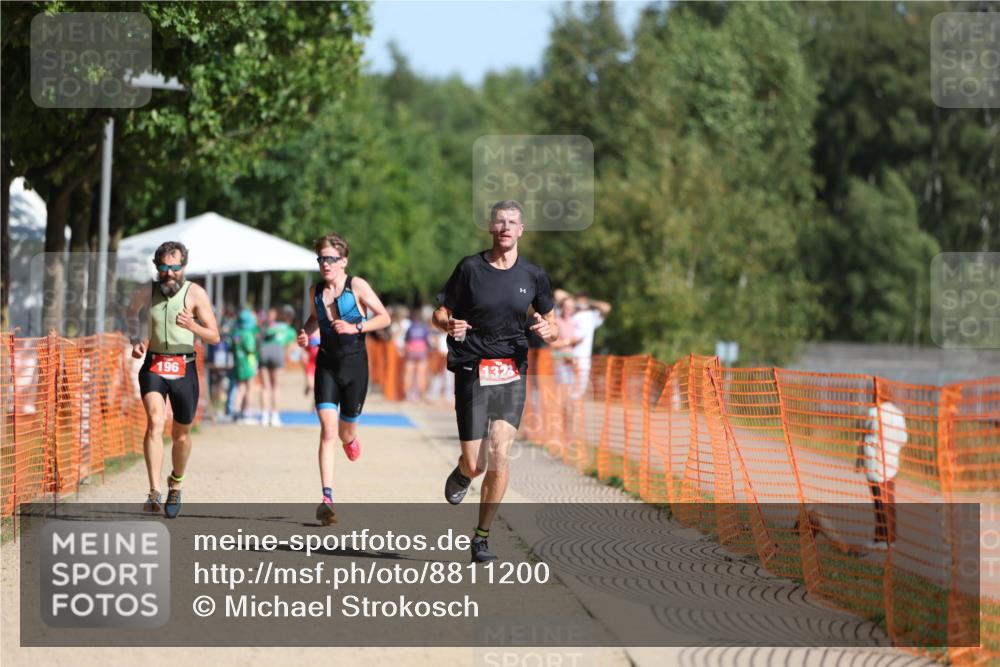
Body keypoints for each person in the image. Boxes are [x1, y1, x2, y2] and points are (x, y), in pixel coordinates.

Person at [432, 200, 558, 563]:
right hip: (472, 366)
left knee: (501, 453)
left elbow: (553, 324)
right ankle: (463, 472)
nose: (505, 227)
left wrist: (549, 330)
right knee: (477, 464)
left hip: (511, 370)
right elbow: (440, 311)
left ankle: (481, 537)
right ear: (491, 227)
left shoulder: (533, 275)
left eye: (512, 222)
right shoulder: (470, 269)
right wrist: (447, 324)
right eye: (500, 221)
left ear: (521, 230)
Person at [296, 233, 391, 525]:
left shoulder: (357, 286)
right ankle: (327, 499)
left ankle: (350, 440)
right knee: (327, 430)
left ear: (343, 261)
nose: (325, 264)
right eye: (321, 259)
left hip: (355, 368)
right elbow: (314, 319)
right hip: (326, 365)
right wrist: (305, 333)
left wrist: (356, 327)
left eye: (330, 259)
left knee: (344, 433)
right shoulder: (315, 291)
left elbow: (384, 317)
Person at [126, 241, 220, 518]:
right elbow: (130, 311)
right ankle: (154, 491)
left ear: (184, 266)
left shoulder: (195, 293)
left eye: (175, 267)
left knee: (181, 436)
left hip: (184, 368)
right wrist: (135, 338)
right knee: (155, 421)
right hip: (154, 365)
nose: (169, 273)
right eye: (164, 268)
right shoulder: (148, 291)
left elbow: (214, 336)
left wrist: (192, 325)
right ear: (157, 267)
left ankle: (175, 483)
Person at [856, 383, 907, 550]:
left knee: (879, 502)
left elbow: (864, 433)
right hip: (890, 464)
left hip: (874, 463)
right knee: (887, 501)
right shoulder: (898, 414)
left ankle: (883, 539)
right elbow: (903, 439)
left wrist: (860, 459)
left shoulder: (873, 412)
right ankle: (885, 539)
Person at [568, 292, 611, 400]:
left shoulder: (591, 315)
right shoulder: (569, 313)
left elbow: (606, 307)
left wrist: (590, 303)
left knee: (579, 390)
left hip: (584, 357)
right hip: (567, 355)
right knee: (566, 386)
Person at [259, 305, 297, 426]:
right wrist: (283, 358)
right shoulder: (290, 330)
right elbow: (291, 348)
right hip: (278, 351)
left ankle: (264, 417)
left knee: (265, 387)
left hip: (264, 351)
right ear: (290, 319)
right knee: (276, 387)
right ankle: (274, 417)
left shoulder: (272, 327)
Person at [230, 308, 260, 423]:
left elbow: (232, 348)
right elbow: (250, 348)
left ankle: (236, 410)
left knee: (241, 387)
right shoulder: (248, 334)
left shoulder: (236, 334)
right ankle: (247, 411)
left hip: (239, 363)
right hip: (248, 364)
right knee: (250, 388)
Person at [403, 309, 432, 402]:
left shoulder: (410, 327)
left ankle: (408, 394)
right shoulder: (424, 328)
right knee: (421, 374)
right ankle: (419, 394)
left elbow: (406, 340)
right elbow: (427, 341)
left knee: (409, 373)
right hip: (422, 351)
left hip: (410, 351)